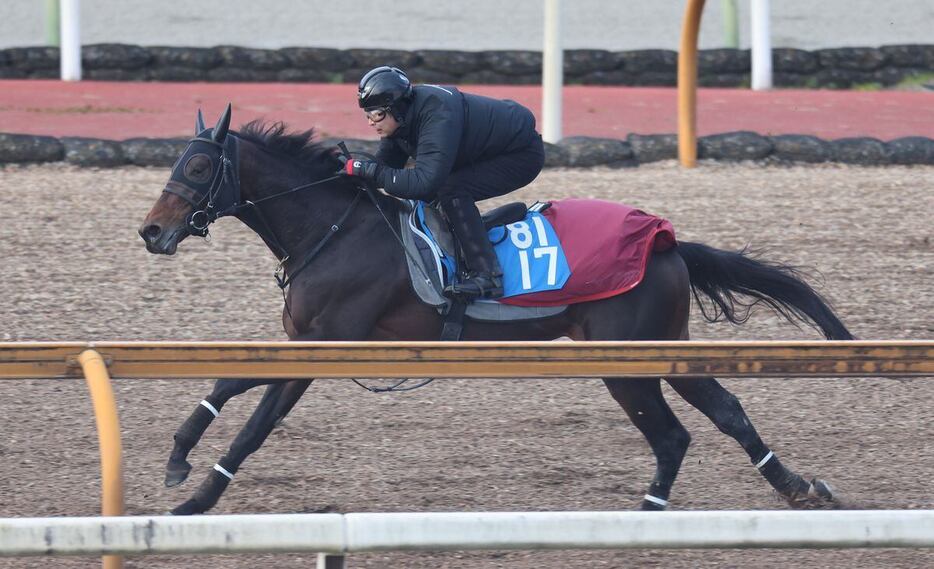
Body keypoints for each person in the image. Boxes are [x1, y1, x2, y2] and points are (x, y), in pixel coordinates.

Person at [343, 66, 546, 299]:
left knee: (451, 189)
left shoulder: (437, 113)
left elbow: (423, 182)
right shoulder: (403, 117)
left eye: (376, 114)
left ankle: (487, 276)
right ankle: (478, 227)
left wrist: (370, 172)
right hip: (484, 150)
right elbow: (386, 166)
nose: (370, 122)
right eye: (367, 114)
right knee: (435, 190)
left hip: (520, 155)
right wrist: (350, 174)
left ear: (396, 109)